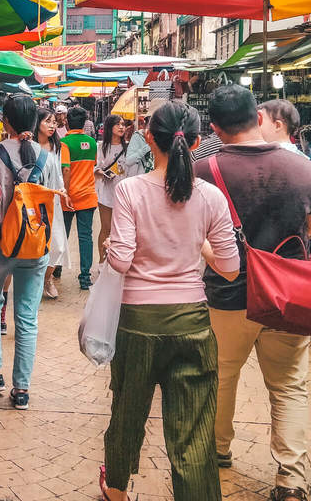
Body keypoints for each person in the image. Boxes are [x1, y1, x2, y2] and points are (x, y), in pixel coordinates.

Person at [100, 100, 239, 501]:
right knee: (193, 433)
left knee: (127, 412)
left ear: (148, 138)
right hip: (192, 324)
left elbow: (121, 260)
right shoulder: (211, 196)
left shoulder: (129, 190)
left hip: (138, 323)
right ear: (196, 142)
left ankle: (116, 490)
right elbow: (230, 267)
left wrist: (111, 245)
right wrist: (199, 249)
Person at [194, 85, 311, 501]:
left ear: (214, 127)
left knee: (221, 375)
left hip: (229, 294)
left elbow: (192, 232)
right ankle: (291, 479)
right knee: (289, 385)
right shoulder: (302, 168)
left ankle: (216, 451)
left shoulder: (204, 170)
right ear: (258, 116)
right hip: (289, 294)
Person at [0, 95, 68, 410]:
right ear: (34, 124)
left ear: (4, 122)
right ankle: (21, 390)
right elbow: (53, 201)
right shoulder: (46, 158)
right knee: (27, 316)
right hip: (35, 246)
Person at [95, 114, 143, 261]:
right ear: (110, 127)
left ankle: (119, 260)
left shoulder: (129, 147)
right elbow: (96, 168)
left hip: (125, 195)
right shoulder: (101, 147)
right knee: (106, 228)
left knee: (123, 230)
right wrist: (101, 172)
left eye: (123, 124)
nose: (121, 127)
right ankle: (102, 261)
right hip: (106, 193)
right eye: (118, 124)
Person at [60, 106, 99, 290]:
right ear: (84, 123)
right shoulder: (92, 142)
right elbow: (93, 165)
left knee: (62, 234)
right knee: (86, 237)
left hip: (69, 197)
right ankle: (85, 277)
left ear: (67, 121)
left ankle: (57, 269)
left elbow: (66, 169)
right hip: (88, 196)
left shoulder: (65, 143)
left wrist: (66, 192)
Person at [36, 105, 69, 298]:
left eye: (54, 122)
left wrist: (62, 188)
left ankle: (46, 278)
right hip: (34, 202)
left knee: (58, 246)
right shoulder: (29, 145)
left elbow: (58, 171)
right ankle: (36, 281)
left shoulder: (56, 145)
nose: (52, 125)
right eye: (47, 121)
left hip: (54, 200)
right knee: (35, 245)